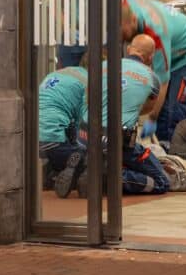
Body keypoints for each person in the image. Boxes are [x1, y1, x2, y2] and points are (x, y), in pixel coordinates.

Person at [69, 34, 170, 197]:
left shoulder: (101, 66)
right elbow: (145, 109)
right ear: (150, 58)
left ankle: (84, 166)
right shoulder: (152, 77)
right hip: (116, 141)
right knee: (161, 182)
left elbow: (87, 99)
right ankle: (104, 178)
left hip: (83, 134)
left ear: (129, 50)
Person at [120, 0, 186, 142]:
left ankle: (179, 156)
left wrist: (151, 118)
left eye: (124, 33)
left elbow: (162, 83)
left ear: (132, 20)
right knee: (163, 111)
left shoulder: (156, 34)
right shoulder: (127, 4)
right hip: (173, 51)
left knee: (173, 115)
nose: (122, 37)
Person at [37, 65, 89, 198]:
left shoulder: (54, 74)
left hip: (33, 139)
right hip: (55, 137)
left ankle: (52, 175)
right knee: (91, 160)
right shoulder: (88, 82)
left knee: (60, 153)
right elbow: (83, 122)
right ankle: (78, 167)